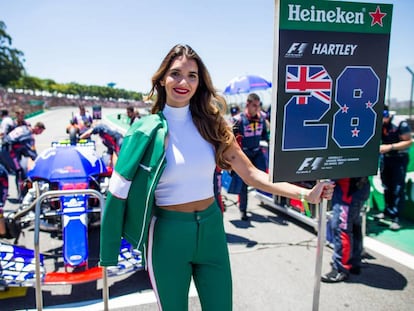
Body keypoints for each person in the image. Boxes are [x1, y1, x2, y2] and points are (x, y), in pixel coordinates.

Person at [99, 44, 334, 311]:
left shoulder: (213, 126)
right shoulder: (144, 130)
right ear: (162, 79)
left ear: (200, 83)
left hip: (212, 231)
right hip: (167, 236)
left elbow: (253, 174)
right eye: (175, 73)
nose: (183, 82)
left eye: (192, 75)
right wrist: (108, 250)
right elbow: (117, 191)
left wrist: (305, 194)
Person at [321, 177, 370, 283]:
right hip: (356, 186)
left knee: (341, 227)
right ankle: (354, 262)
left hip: (348, 189)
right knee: (353, 225)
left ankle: (340, 268)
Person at [232, 93, 269, 220]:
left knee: (264, 177)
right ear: (248, 104)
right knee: (243, 183)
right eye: (254, 105)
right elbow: (233, 138)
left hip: (257, 151)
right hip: (244, 154)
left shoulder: (262, 118)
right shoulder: (239, 119)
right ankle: (243, 209)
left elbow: (265, 135)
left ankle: (263, 195)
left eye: (259, 106)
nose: (257, 108)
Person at [376, 107, 412, 230]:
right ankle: (387, 212)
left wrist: (390, 147)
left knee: (397, 188)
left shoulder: (400, 123)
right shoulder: (381, 124)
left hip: (398, 158)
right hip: (385, 159)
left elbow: (409, 141)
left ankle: (396, 217)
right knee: (386, 186)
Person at [1, 121, 45, 201]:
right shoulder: (29, 136)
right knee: (20, 171)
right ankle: (21, 196)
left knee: (4, 172)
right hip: (9, 151)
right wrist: (38, 162)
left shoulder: (24, 127)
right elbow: (31, 152)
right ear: (37, 128)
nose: (40, 133)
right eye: (41, 131)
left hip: (4, 148)